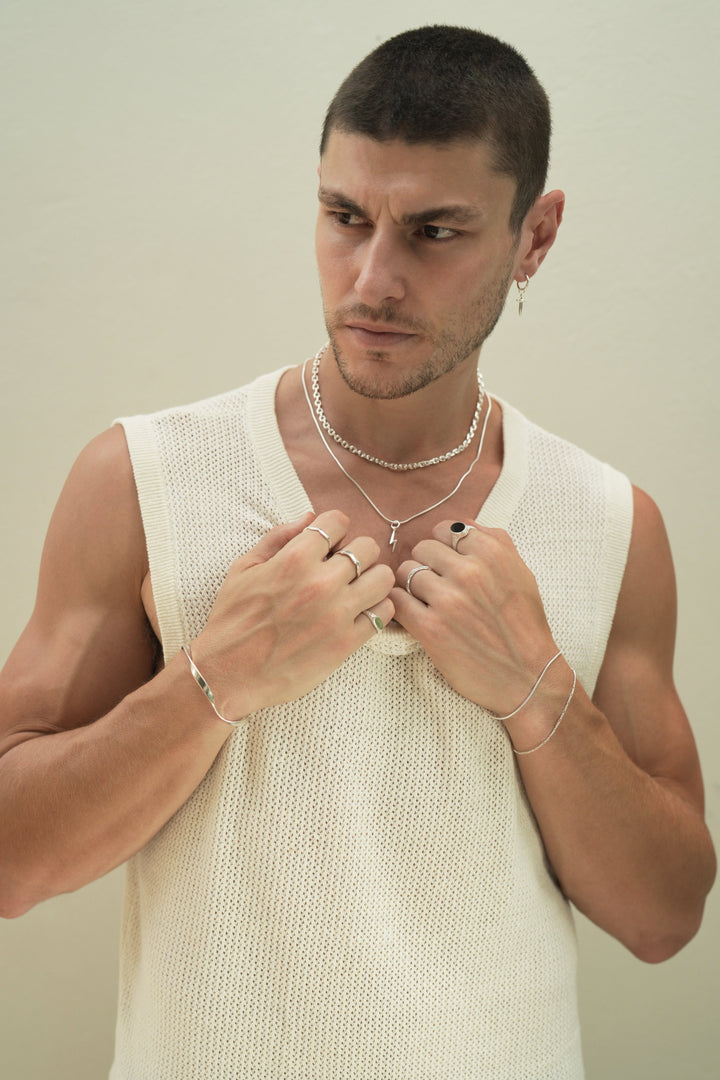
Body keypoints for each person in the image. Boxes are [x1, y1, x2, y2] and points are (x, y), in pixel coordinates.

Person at [0, 24, 715, 1080]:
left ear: (537, 236)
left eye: (434, 231)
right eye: (345, 217)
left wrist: (535, 689)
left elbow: (664, 916)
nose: (371, 278)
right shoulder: (143, 480)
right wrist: (215, 679)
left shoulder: (610, 522)